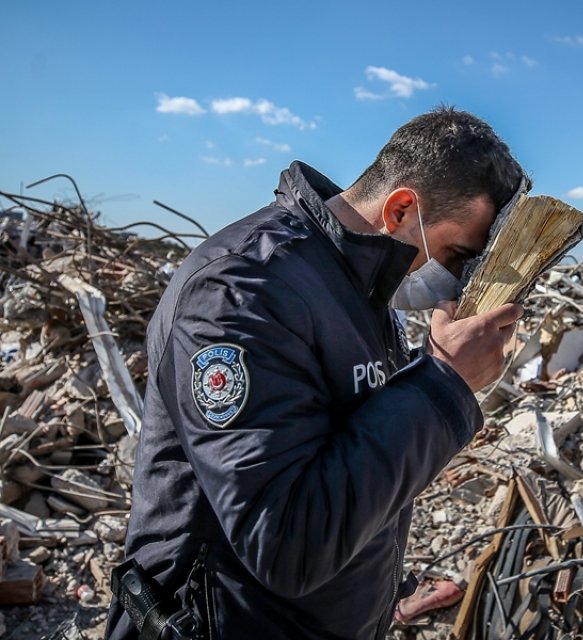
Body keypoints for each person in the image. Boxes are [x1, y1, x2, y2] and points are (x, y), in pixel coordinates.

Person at [105, 106, 528, 639]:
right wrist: (443, 385)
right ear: (400, 209)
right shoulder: (244, 292)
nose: (455, 282)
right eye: (457, 254)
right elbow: (285, 543)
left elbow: (356, 469)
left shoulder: (366, 292)